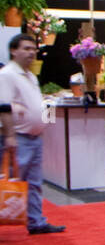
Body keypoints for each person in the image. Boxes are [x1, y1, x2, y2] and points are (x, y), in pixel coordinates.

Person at [0, 34, 64, 234]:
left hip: (34, 137)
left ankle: (36, 221)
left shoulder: (30, 75)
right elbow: (3, 107)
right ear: (13, 51)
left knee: (35, 182)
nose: (31, 52)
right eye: (26, 48)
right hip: (18, 137)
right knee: (9, 180)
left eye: (33, 49)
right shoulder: (7, 74)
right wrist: (10, 136)